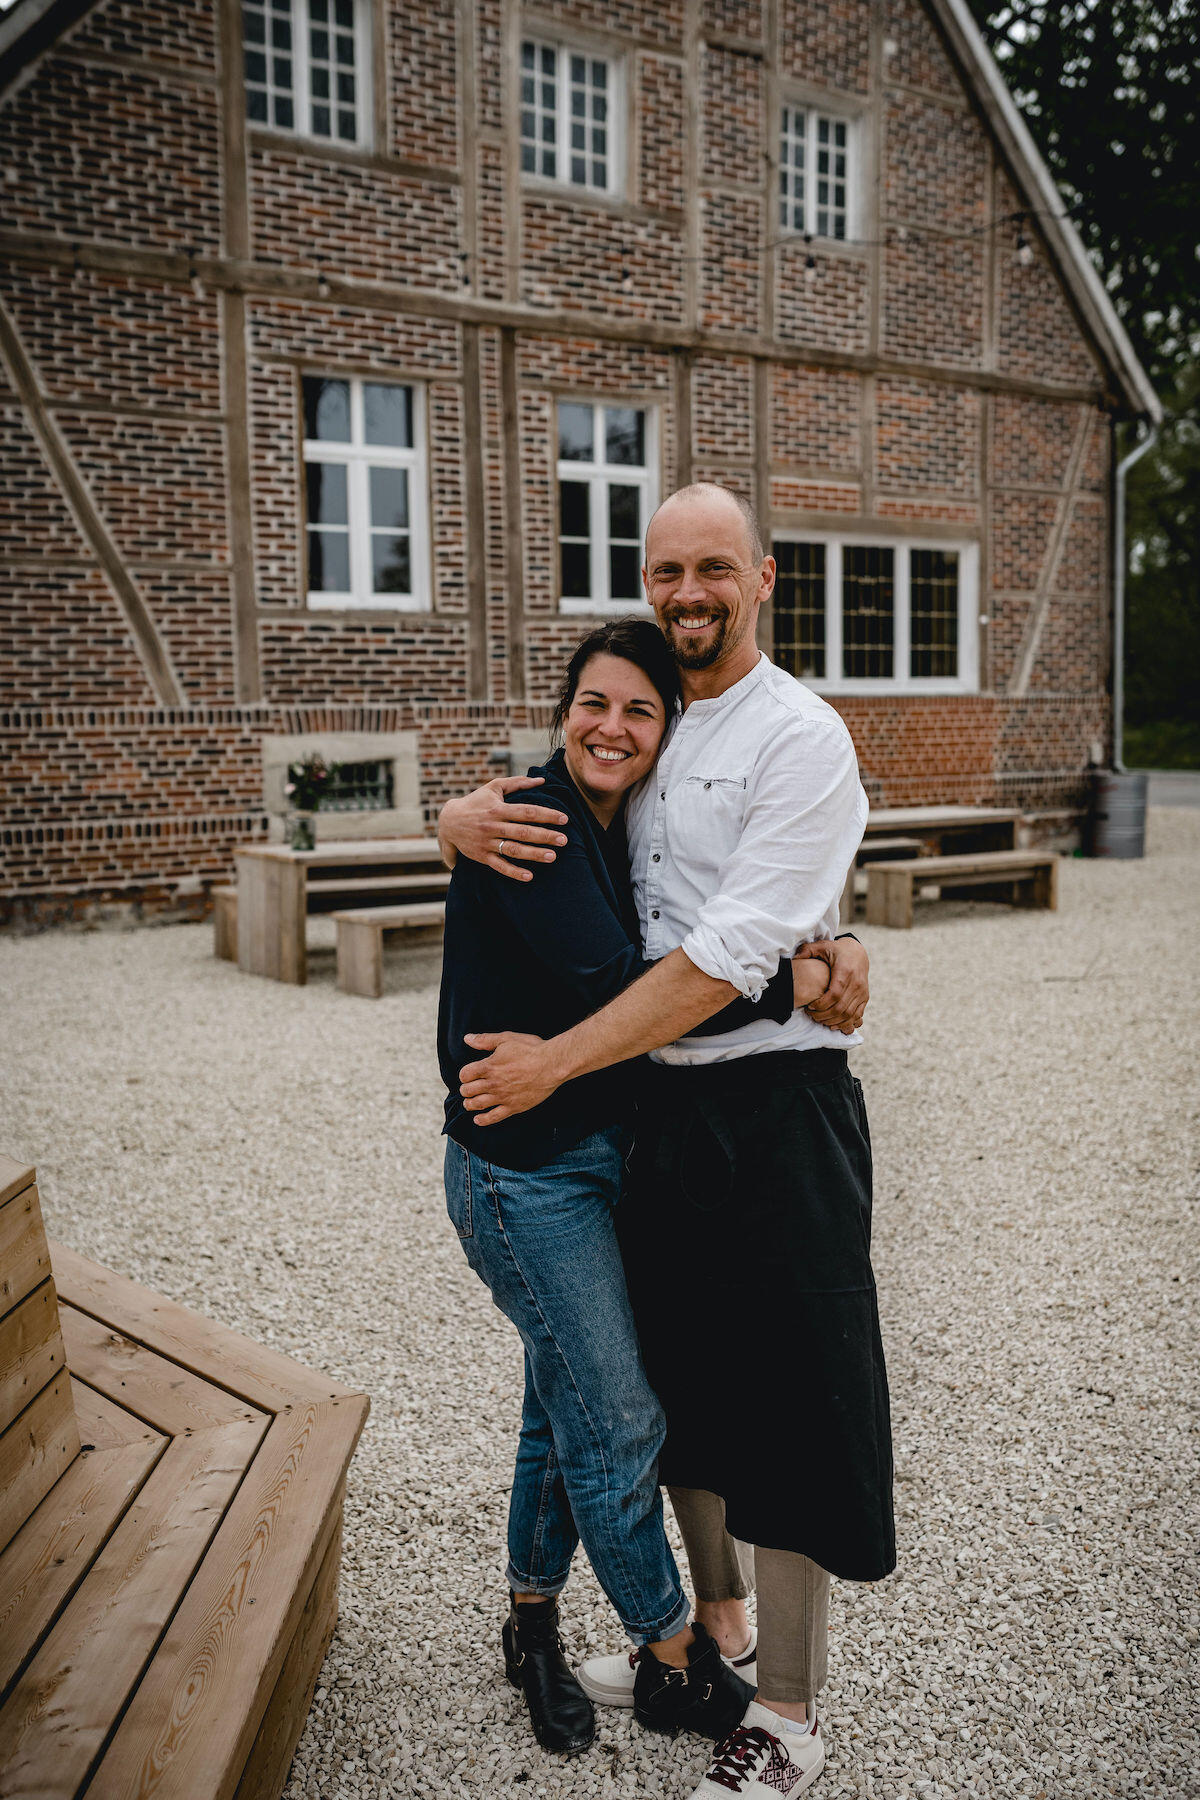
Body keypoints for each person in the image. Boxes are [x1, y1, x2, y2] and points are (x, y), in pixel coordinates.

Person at [446, 483, 893, 1799]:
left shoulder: (799, 735)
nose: (689, 594)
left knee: (800, 1412)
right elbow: (563, 839)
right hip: (656, 1114)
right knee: (687, 1400)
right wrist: (453, 822)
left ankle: (793, 1716)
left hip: (776, 1110)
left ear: (762, 578)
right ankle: (717, 1641)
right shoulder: (646, 720)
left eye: (714, 570)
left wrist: (559, 1062)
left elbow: (720, 961)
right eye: (667, 572)